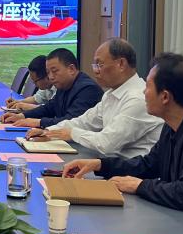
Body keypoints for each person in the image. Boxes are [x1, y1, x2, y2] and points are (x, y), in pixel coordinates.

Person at [61, 53, 183, 221]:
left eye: (148, 86)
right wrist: (100, 165)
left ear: (165, 97)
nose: (143, 92)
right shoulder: (172, 125)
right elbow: (149, 165)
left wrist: (140, 186)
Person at [25, 39, 162, 158]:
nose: (95, 71)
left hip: (132, 173)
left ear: (121, 64)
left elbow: (107, 143)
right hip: (112, 165)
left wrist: (71, 133)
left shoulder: (137, 98)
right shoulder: (111, 94)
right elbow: (84, 121)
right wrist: (48, 132)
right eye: (95, 65)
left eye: (100, 65)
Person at [1, 48, 102, 128]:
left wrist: (38, 122)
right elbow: (49, 108)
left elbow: (71, 121)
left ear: (71, 69)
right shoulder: (64, 85)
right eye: (48, 72)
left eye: (54, 71)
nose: (51, 77)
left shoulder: (88, 89)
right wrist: (21, 116)